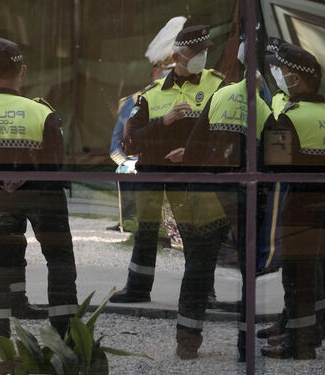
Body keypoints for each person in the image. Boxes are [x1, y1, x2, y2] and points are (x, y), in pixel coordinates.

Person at [0, 37, 78, 352]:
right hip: (44, 198)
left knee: (0, 263)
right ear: (22, 72)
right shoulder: (41, 112)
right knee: (60, 261)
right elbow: (56, 164)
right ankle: (64, 337)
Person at [119, 25, 228, 359]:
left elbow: (227, 131)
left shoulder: (219, 85)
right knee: (146, 231)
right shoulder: (151, 94)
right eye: (196, 53)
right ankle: (137, 288)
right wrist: (163, 123)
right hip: (155, 173)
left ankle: (204, 294)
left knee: (197, 241)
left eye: (205, 51)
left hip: (195, 175)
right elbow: (132, 140)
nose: (203, 57)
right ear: (178, 56)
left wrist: (194, 151)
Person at [182, 33, 273, 361]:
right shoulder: (266, 109)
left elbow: (193, 148)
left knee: (198, 267)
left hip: (208, 190)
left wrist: (193, 186)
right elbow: (271, 165)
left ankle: (187, 341)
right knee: (249, 271)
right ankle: (244, 347)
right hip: (244, 197)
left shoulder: (219, 97)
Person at [260, 43, 325, 359]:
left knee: (297, 270)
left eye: (281, 70)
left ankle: (299, 342)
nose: (277, 75)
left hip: (299, 204)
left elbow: (272, 165)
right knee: (319, 263)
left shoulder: (290, 118)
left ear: (296, 79)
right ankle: (314, 329)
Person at [108, 16, 187, 233]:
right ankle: (133, 223)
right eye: (168, 67)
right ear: (156, 71)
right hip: (144, 165)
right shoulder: (134, 102)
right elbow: (116, 146)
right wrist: (129, 164)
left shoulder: (192, 98)